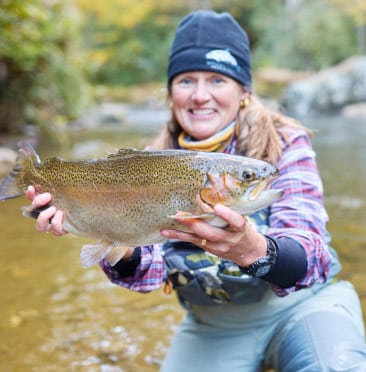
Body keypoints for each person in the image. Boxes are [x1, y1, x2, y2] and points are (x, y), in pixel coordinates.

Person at [26, 10, 366, 372]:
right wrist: (110, 237)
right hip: (214, 327)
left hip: (305, 306)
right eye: (187, 80)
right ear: (171, 92)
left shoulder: (283, 144)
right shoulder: (146, 163)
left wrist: (255, 250)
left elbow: (313, 256)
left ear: (244, 91)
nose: (200, 95)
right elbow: (150, 275)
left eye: (217, 80)